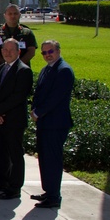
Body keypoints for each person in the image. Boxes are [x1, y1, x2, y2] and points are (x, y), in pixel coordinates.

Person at [0, 39, 33, 201]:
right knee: (0, 153)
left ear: (18, 52)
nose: (7, 53)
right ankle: (1, 181)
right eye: (4, 50)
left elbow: (18, 97)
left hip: (13, 121)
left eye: (11, 50)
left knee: (15, 155)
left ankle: (14, 187)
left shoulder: (23, 71)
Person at [30, 39, 74, 209]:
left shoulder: (64, 71)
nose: (47, 55)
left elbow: (55, 98)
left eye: (51, 51)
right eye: (44, 52)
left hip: (55, 124)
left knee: (53, 160)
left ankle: (54, 197)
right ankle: (48, 191)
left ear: (58, 51)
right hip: (45, 123)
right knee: (45, 159)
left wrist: (37, 112)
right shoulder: (47, 69)